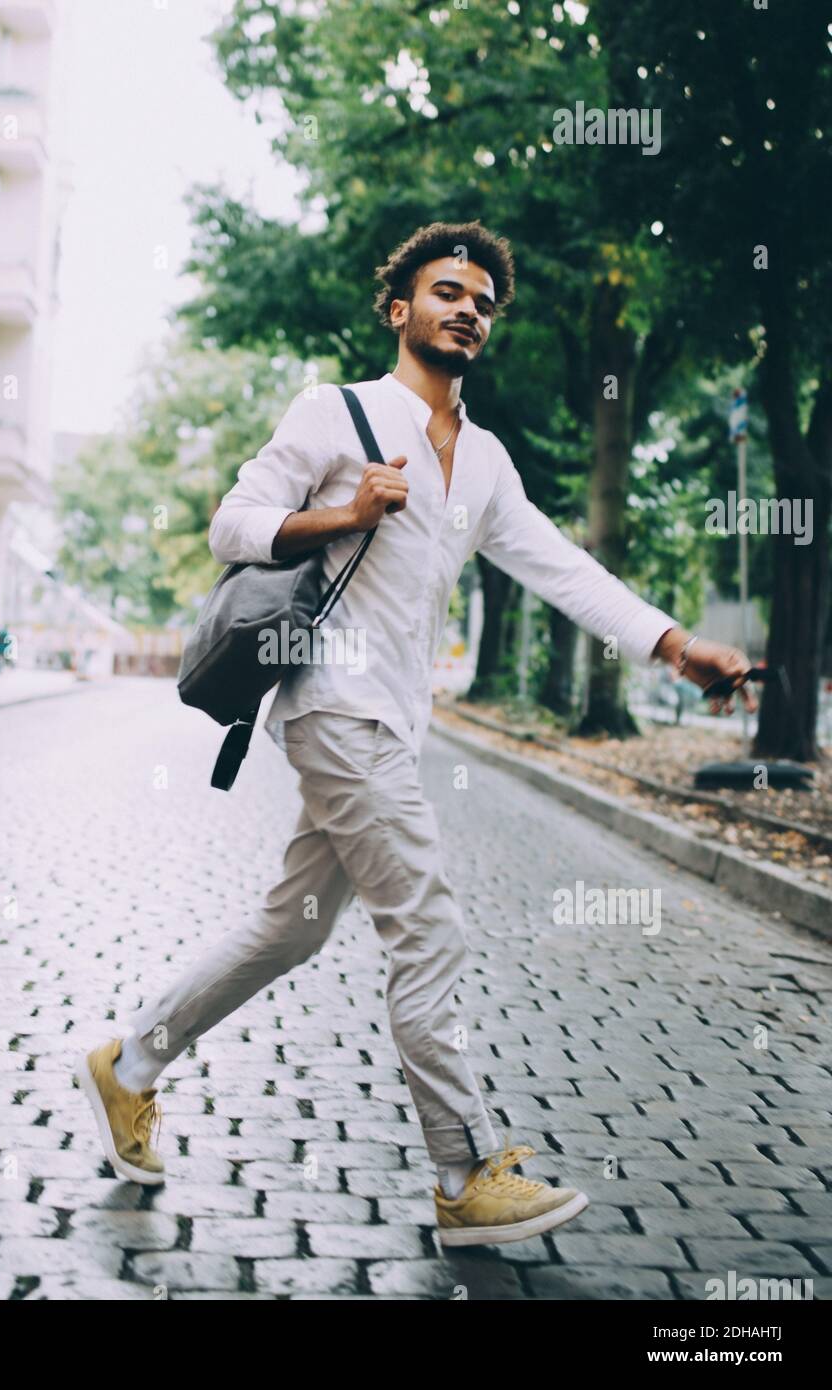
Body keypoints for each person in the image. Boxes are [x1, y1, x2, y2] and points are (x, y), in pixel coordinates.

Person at [76, 219, 758, 1247]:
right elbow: (232, 523)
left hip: (392, 723)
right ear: (401, 311)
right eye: (448, 292)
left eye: (482, 302)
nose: (467, 310)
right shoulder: (334, 412)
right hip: (330, 709)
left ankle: (130, 1061)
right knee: (427, 924)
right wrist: (341, 512)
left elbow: (558, 566)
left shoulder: (481, 460)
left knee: (293, 926)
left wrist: (671, 643)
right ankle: (463, 1168)